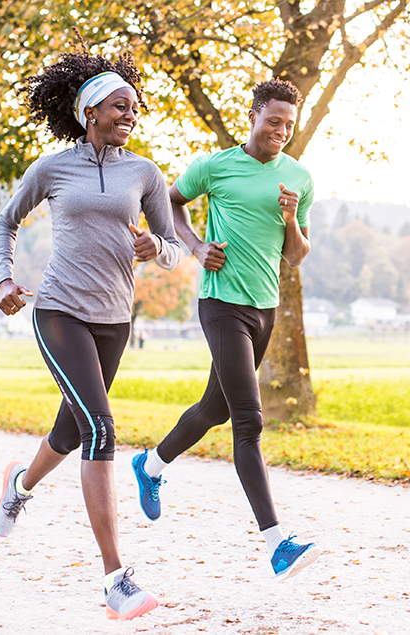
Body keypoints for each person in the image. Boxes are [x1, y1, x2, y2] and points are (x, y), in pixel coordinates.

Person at [0, 49, 180, 621]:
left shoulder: (144, 172)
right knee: (100, 427)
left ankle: (19, 484)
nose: (131, 113)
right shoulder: (52, 169)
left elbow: (171, 250)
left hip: (114, 319)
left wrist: (157, 248)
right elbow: (5, 220)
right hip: (58, 311)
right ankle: (115, 579)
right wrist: (3, 278)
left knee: (72, 431)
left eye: (135, 106)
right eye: (120, 105)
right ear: (89, 110)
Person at [131, 78, 320, 581]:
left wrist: (290, 220)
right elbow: (170, 201)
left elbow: (296, 256)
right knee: (248, 421)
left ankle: (151, 464)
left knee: (214, 408)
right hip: (221, 303)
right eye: (273, 120)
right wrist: (193, 246)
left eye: (288, 123)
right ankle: (278, 543)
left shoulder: (299, 178)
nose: (280, 130)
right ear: (253, 115)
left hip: (265, 308)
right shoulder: (215, 165)